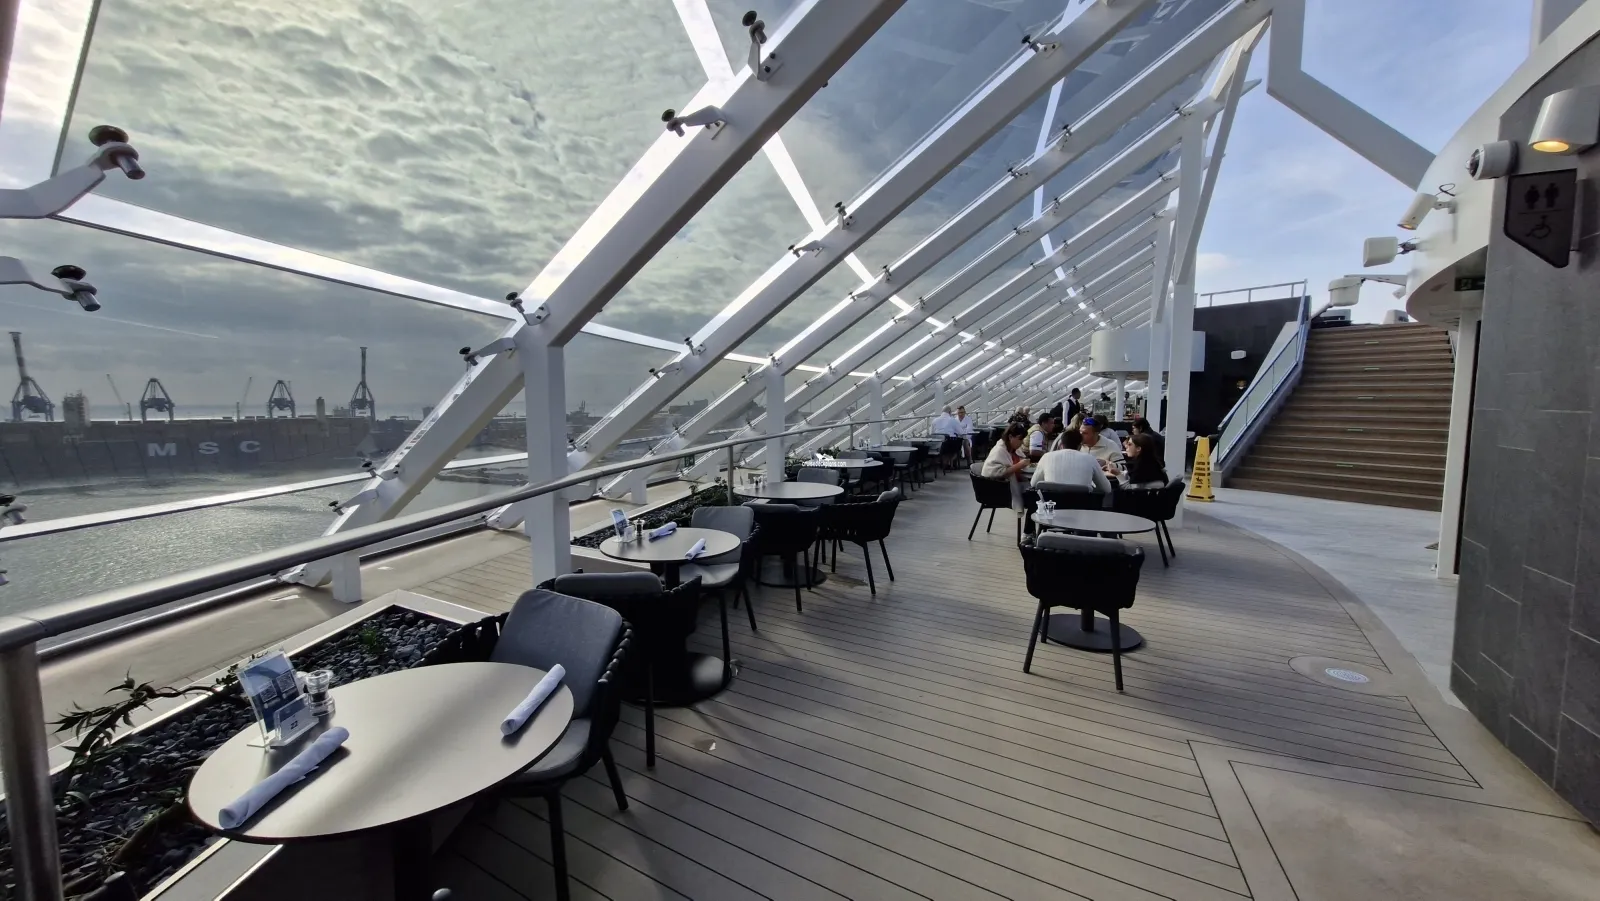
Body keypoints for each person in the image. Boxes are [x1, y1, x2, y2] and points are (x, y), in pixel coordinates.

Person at [1031, 429, 1112, 494]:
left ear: (1061, 444)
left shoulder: (1046, 457)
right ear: (1080, 446)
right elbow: (1107, 489)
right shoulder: (1090, 459)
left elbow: (1033, 484)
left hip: (1051, 506)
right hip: (1082, 507)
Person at [982, 423, 1032, 513]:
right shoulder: (999, 451)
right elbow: (998, 473)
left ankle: (1031, 520)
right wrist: (1019, 465)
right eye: (1020, 439)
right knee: (1035, 497)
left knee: (1037, 493)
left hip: (1013, 485)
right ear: (1010, 437)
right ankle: (1032, 520)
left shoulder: (1014, 450)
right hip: (999, 490)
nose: (1022, 443)